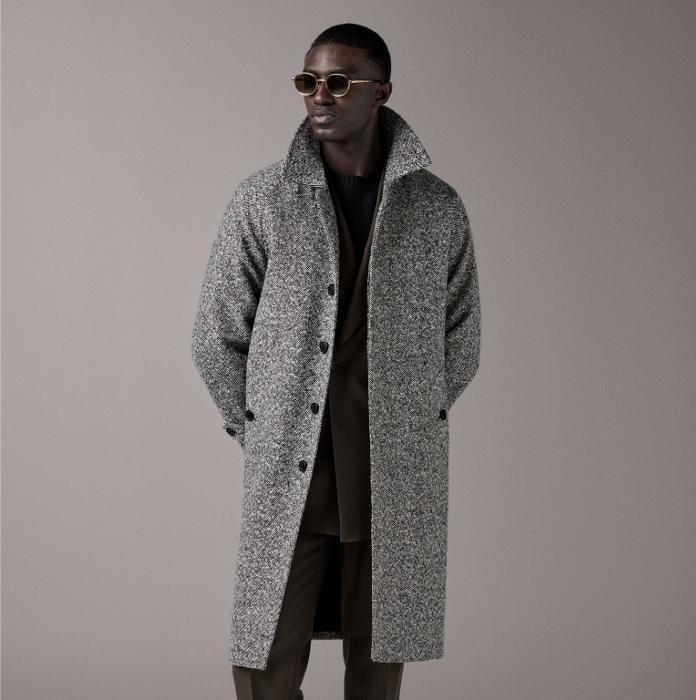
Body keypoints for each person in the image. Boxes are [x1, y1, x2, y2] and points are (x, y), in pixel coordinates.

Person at [192, 22, 481, 700]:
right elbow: (215, 335)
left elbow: (462, 338)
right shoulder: (264, 200)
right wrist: (260, 430)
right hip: (293, 470)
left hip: (393, 476)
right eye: (308, 81)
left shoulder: (435, 208)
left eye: (339, 82)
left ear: (380, 91)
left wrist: (411, 418)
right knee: (263, 665)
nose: (319, 96)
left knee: (378, 671)